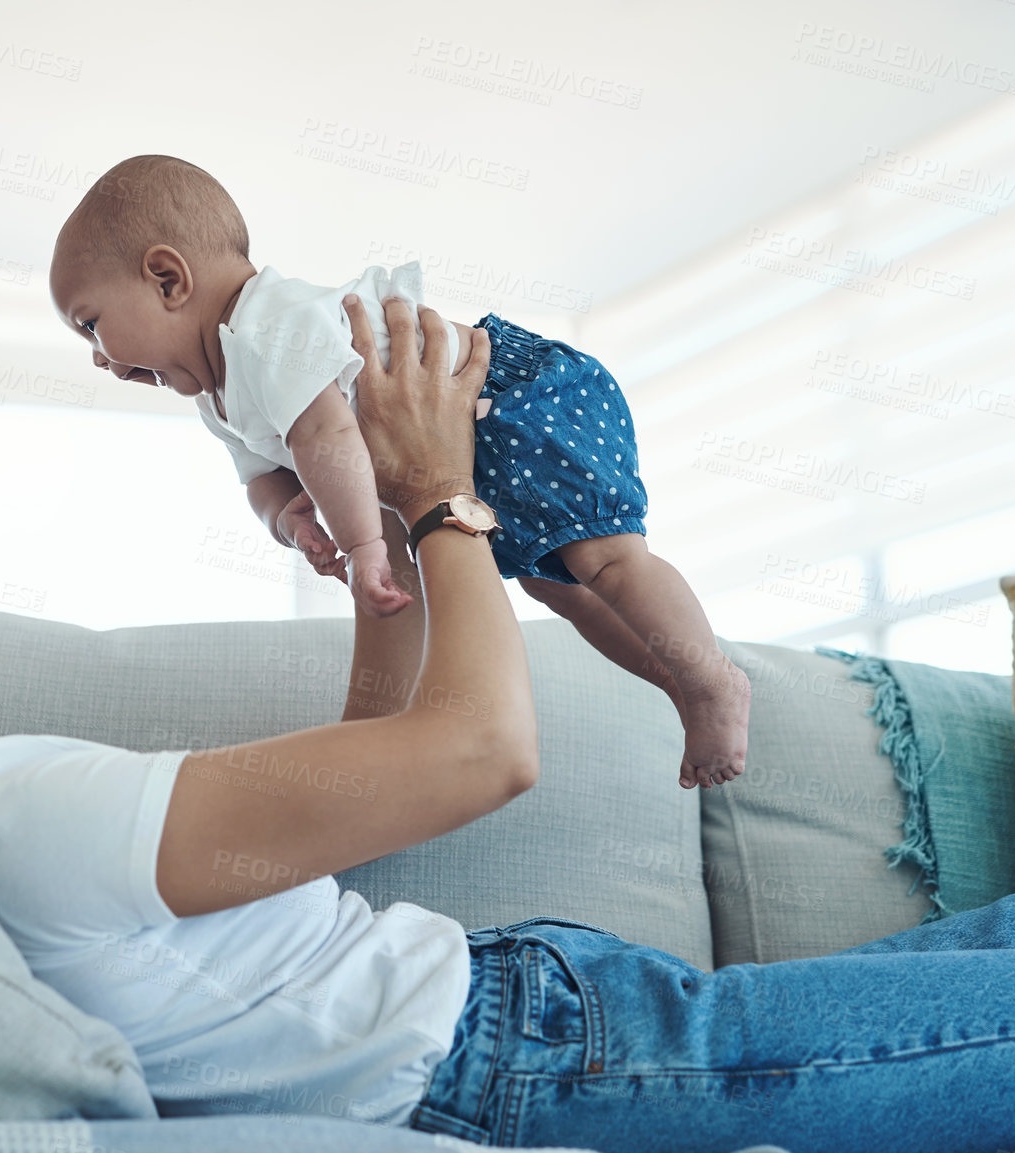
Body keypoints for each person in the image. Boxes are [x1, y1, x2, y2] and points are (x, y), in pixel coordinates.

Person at [0, 299, 1015, 1153]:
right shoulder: (13, 814)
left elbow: (382, 777)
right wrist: (444, 487)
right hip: (543, 1056)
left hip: (545, 1006)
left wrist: (379, 565)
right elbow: (486, 754)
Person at [47, 153, 749, 791]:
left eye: (90, 324)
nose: (99, 359)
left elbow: (326, 435)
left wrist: (359, 546)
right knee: (556, 584)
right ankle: (677, 679)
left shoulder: (268, 324)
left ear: (167, 279)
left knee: (608, 561)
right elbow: (267, 478)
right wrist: (291, 521)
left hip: (509, 401)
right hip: (456, 458)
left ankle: (710, 678)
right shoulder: (217, 395)